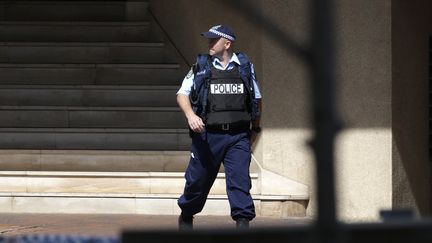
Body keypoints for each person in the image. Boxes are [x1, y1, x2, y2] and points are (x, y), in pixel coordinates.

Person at [176, 24, 262, 230]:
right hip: (207, 136)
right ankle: (187, 214)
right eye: (209, 40)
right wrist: (191, 115)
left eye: (214, 40)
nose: (209, 43)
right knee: (197, 182)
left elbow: (257, 99)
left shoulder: (244, 66)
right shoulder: (201, 65)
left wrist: (255, 130)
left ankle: (242, 223)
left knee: (240, 182)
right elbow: (182, 94)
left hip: (238, 136)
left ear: (227, 43)